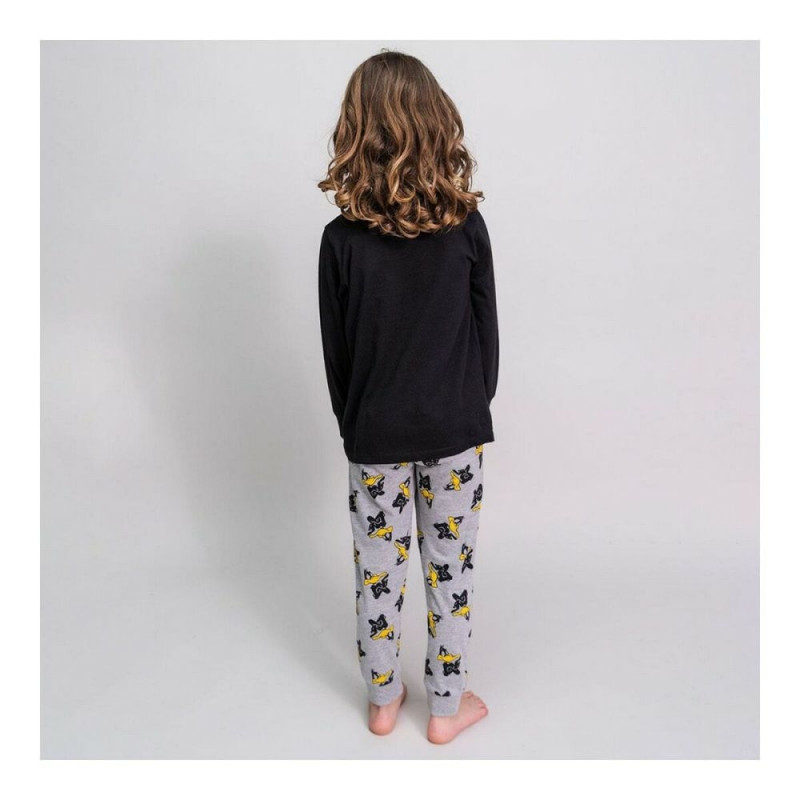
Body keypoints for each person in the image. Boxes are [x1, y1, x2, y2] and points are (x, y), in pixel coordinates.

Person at [316, 50, 499, 745]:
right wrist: (467, 406)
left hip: (375, 434)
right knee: (452, 574)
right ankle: (445, 712)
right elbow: (486, 337)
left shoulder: (340, 242)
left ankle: (383, 702)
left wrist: (357, 424)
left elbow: (337, 356)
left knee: (378, 573)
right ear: (435, 123)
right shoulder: (467, 228)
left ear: (355, 132)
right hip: (455, 426)